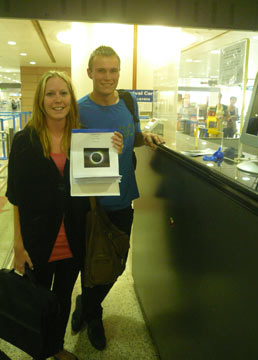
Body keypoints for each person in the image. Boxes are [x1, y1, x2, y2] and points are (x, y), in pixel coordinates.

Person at [71, 45, 165, 350]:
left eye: (113, 70)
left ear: (118, 73)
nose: (107, 77)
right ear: (90, 73)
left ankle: (85, 304)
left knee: (117, 263)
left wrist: (145, 137)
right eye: (101, 70)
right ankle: (93, 314)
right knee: (91, 262)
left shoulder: (128, 100)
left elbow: (132, 135)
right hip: (91, 203)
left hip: (125, 197)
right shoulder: (79, 109)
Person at [6, 71, 98, 360]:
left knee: (63, 298)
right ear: (41, 100)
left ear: (71, 97)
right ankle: (38, 349)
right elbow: (16, 198)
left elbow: (98, 182)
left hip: (72, 236)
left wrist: (113, 152)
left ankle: (56, 347)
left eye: (63, 93)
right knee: (38, 300)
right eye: (51, 94)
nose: (58, 99)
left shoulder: (83, 138)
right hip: (38, 239)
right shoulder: (25, 140)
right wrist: (18, 246)